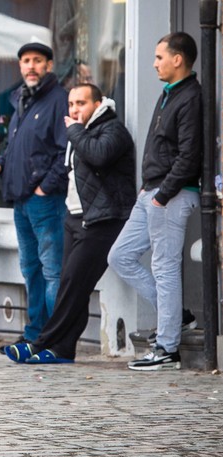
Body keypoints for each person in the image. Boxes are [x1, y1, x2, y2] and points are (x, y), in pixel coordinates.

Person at [4, 83, 135, 364]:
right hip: (74, 218)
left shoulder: (112, 130)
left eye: (81, 103)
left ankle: (39, 342)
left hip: (103, 221)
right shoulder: (82, 131)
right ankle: (63, 350)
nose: (75, 110)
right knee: (71, 286)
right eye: (72, 104)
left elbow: (98, 154)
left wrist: (73, 131)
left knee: (73, 284)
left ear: (98, 104)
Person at [108, 32, 201, 371]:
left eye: (160, 56)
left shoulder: (191, 96)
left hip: (171, 195)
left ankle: (167, 347)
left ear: (178, 59)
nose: (154, 63)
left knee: (164, 267)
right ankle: (178, 317)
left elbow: (190, 155)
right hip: (152, 192)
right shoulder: (169, 93)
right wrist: (149, 189)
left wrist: (162, 194)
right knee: (120, 255)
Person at [0, 41, 68, 347]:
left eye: (37, 60)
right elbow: (13, 147)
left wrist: (46, 187)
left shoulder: (59, 100)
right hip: (19, 200)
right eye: (26, 61)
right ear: (20, 67)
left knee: (52, 271)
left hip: (45, 201)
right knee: (31, 269)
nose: (31, 66)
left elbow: (64, 152)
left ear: (49, 66)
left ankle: (55, 338)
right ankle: (35, 334)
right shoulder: (21, 99)